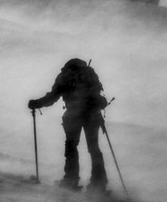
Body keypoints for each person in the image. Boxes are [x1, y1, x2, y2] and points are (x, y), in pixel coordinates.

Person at [28, 58, 109, 193]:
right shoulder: (89, 73)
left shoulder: (65, 76)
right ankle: (98, 183)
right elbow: (98, 94)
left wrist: (36, 103)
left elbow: (53, 97)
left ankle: (71, 181)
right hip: (92, 115)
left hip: (73, 115)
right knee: (94, 148)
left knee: (71, 146)